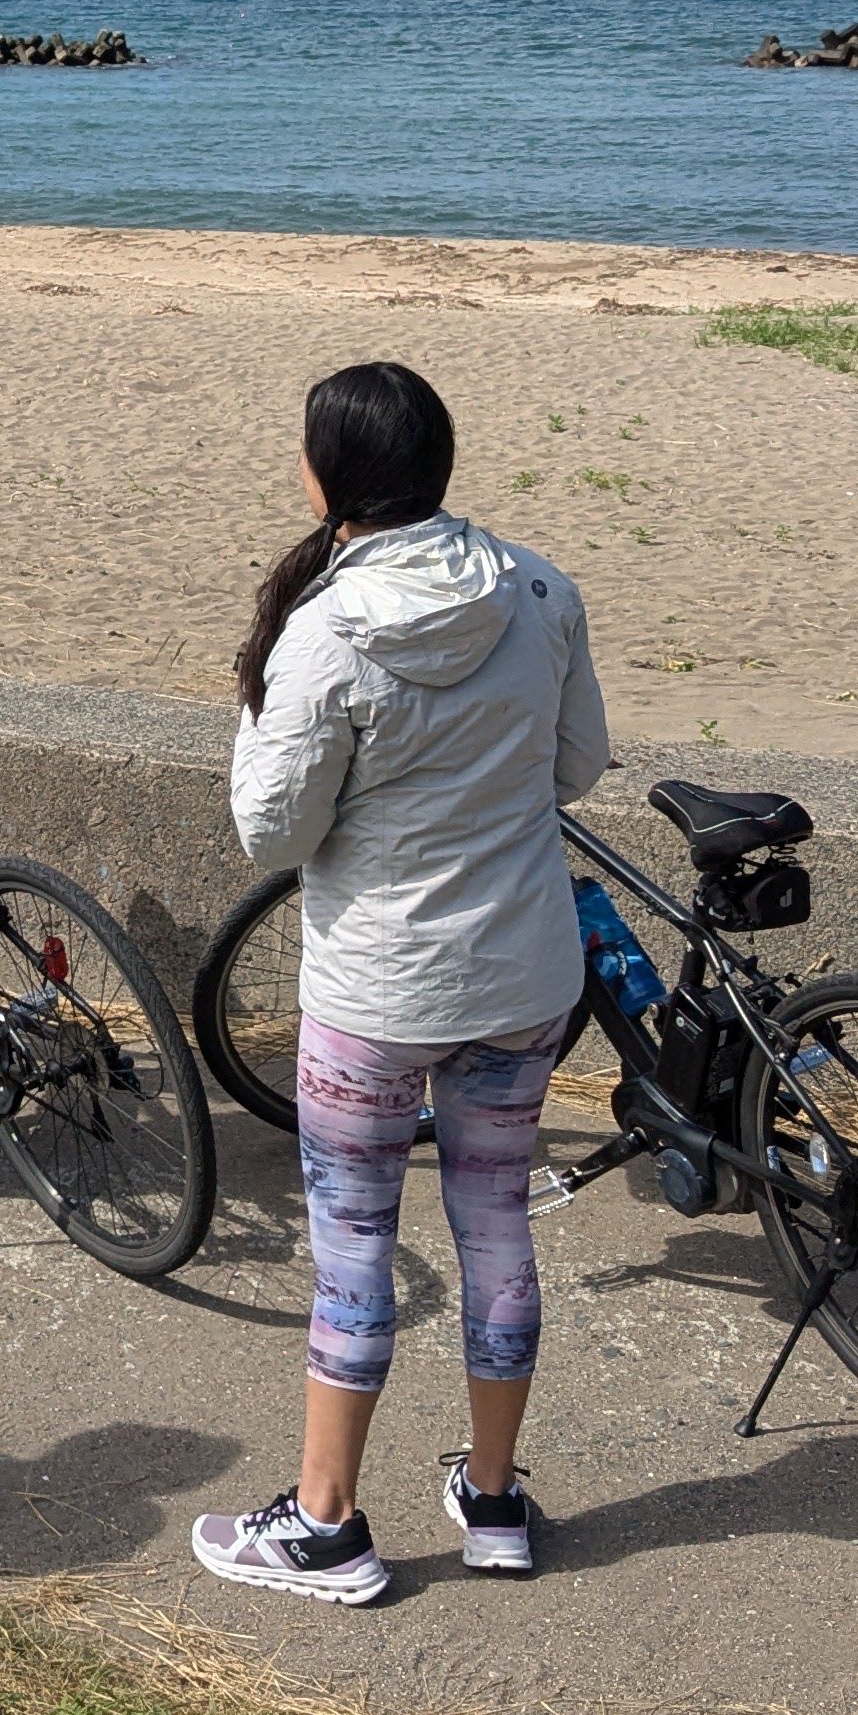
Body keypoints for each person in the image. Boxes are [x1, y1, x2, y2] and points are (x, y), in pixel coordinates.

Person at [192, 360, 608, 1607]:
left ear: (329, 481)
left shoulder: (324, 629)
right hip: (525, 969)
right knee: (497, 1223)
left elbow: (271, 829)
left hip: (378, 992)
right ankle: (492, 1497)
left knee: (354, 1245)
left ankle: (325, 1526)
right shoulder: (539, 590)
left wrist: (253, 715)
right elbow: (577, 766)